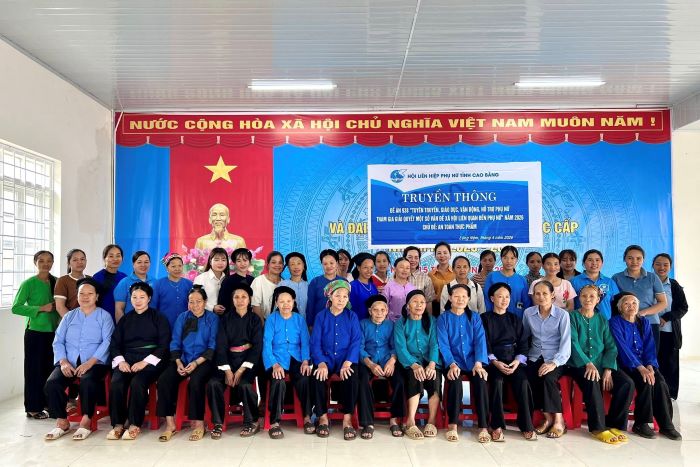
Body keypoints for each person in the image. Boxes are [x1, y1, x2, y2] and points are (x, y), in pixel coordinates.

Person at [44, 278, 114, 440]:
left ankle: (86, 420)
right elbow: (58, 341)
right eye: (82, 293)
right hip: (69, 362)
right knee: (52, 384)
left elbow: (108, 341)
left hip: (96, 363)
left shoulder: (104, 316)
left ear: (97, 296)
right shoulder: (69, 316)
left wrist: (90, 363)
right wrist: (63, 362)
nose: (85, 297)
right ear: (77, 296)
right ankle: (62, 421)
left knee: (88, 381)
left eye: (90, 293)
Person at [609, 292, 681, 440]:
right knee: (645, 382)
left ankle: (667, 425)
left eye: (634, 303)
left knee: (660, 383)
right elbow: (622, 348)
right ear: (620, 307)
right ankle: (641, 423)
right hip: (626, 364)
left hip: (645, 363)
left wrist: (649, 365)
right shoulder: (615, 322)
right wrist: (639, 367)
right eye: (626, 304)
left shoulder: (644, 322)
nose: (631, 306)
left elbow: (650, 346)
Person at [568, 285, 634, 444]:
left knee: (627, 383)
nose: (587, 299)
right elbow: (572, 343)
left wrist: (608, 369)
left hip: (602, 364)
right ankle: (597, 428)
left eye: (592, 296)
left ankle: (615, 424)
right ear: (579, 298)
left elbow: (611, 346)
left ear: (598, 300)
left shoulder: (602, 319)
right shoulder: (572, 317)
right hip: (578, 364)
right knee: (591, 379)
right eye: (584, 296)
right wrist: (587, 363)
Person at [108, 282, 170, 440]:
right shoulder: (125, 319)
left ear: (149, 298)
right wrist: (121, 361)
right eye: (134, 297)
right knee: (117, 382)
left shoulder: (159, 318)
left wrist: (145, 362)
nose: (138, 300)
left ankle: (135, 423)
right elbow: (114, 344)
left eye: (142, 297)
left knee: (138, 382)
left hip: (151, 359)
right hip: (128, 358)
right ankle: (118, 423)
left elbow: (164, 345)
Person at [157, 286, 219, 442]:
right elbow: (175, 342)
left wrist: (196, 363)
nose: (195, 305)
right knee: (164, 380)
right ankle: (170, 424)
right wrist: (178, 362)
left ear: (205, 302)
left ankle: (199, 424)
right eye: (191, 302)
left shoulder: (212, 319)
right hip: (183, 359)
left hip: (204, 360)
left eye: (198, 301)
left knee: (196, 382)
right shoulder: (182, 317)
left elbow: (213, 345)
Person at [206, 283, 263, 439]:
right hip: (227, 360)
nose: (240, 300)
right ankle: (218, 423)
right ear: (232, 300)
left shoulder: (255, 320)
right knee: (214, 384)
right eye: (236, 297)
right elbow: (221, 345)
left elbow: (257, 346)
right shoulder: (225, 319)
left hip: (247, 361)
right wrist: (227, 370)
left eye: (244, 297)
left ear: (249, 300)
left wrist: (241, 369)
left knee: (245, 385)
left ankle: (251, 421)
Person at [481, 282, 537, 441]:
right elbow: (483, 342)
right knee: (497, 381)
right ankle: (496, 425)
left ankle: (526, 425)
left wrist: (517, 361)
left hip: (513, 360)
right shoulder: (484, 318)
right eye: (500, 296)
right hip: (493, 361)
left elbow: (523, 343)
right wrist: (495, 361)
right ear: (492, 298)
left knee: (523, 381)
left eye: (507, 297)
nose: (504, 300)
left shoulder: (515, 319)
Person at [437, 284, 489, 443]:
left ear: (469, 298)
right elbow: (443, 344)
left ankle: (483, 426)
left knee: (481, 381)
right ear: (450, 298)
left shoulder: (475, 317)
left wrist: (479, 363)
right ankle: (452, 425)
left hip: (473, 362)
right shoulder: (443, 318)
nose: (460, 299)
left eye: (464, 297)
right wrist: (451, 364)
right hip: (453, 362)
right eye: (456, 296)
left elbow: (480, 341)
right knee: (454, 381)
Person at [310, 280, 362, 440]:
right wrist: (320, 362)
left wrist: (348, 362)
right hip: (325, 359)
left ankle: (347, 419)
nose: (341, 299)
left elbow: (356, 341)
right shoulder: (321, 316)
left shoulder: (352, 316)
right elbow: (315, 342)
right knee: (317, 377)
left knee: (352, 377)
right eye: (338, 295)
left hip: (345, 359)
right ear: (330, 296)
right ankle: (322, 417)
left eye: (345, 296)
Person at [12, 250, 58, 420]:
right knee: (34, 371)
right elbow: (16, 307)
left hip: (54, 332)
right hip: (35, 332)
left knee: (50, 370)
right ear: (35, 263)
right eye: (41, 260)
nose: (45, 264)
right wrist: (41, 308)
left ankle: (47, 404)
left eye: (49, 260)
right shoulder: (29, 283)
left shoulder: (56, 281)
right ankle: (32, 408)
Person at [263, 286, 314, 439]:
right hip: (276, 359)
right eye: (281, 301)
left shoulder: (299, 319)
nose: (285, 304)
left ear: (293, 302)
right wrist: (274, 364)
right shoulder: (271, 319)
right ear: (276, 303)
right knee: (278, 381)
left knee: (304, 379)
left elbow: (305, 343)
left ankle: (307, 417)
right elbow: (267, 343)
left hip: (296, 358)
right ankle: (275, 422)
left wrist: (305, 361)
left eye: (288, 301)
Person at [522, 280, 571, 439]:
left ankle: (559, 420)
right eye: (537, 294)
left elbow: (566, 344)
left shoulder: (562, 315)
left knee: (549, 378)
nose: (541, 297)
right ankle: (547, 417)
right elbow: (525, 337)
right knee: (527, 378)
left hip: (557, 358)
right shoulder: (528, 313)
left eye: (545, 293)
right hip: (534, 355)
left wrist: (553, 363)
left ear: (552, 295)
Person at [393, 290, 440, 440]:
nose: (419, 305)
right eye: (415, 302)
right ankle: (410, 422)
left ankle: (431, 421)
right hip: (410, 361)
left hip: (429, 360)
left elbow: (434, 344)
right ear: (408, 305)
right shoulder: (401, 323)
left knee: (434, 378)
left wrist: (432, 364)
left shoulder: (432, 321)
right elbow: (401, 348)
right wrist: (414, 365)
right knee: (415, 377)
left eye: (422, 302)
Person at [357, 295, 404, 439]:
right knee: (362, 380)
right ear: (370, 311)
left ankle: (394, 419)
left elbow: (395, 346)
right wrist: (370, 364)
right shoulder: (362, 324)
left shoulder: (391, 325)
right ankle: (368, 423)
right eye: (375, 310)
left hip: (387, 360)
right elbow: (359, 347)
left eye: (382, 310)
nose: (379, 313)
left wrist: (392, 361)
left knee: (400, 380)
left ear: (387, 311)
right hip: (368, 360)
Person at [613, 245, 667, 354]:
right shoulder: (617, 278)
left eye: (638, 258)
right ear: (624, 259)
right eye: (630, 258)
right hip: (625, 324)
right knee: (628, 357)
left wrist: (643, 313)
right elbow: (614, 303)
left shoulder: (652, 277)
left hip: (650, 323)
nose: (634, 261)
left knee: (650, 357)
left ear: (643, 260)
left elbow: (663, 302)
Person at [653, 253, 688, 400]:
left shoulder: (674, 285)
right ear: (652, 266)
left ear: (670, 267)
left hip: (669, 331)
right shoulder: (648, 282)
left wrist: (666, 317)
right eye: (658, 264)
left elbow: (683, 308)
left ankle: (670, 394)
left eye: (665, 264)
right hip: (651, 330)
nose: (661, 267)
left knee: (670, 364)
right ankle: (653, 393)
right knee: (653, 362)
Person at [570, 249, 619, 320]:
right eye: (590, 260)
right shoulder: (574, 281)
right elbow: (570, 304)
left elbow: (617, 304)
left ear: (602, 263)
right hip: (580, 322)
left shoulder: (610, 282)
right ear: (583, 263)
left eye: (597, 260)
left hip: (605, 322)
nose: (594, 263)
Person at [484, 246, 531, 318]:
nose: (509, 261)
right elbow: (487, 299)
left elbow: (526, 302)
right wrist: (489, 317)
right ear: (501, 259)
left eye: (512, 258)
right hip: (495, 318)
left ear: (516, 260)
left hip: (517, 317)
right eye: (505, 257)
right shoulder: (492, 276)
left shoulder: (521, 279)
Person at [305, 249, 346, 327]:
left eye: (331, 263)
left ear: (337, 263)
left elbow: (347, 305)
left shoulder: (343, 282)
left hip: (340, 323)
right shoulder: (315, 282)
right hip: (319, 324)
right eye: (325, 264)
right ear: (322, 265)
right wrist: (310, 325)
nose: (329, 266)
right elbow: (310, 306)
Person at [113, 251, 157, 322]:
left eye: (146, 262)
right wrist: (122, 327)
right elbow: (119, 308)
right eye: (139, 262)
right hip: (131, 323)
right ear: (133, 264)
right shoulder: (124, 282)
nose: (143, 265)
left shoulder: (155, 282)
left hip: (151, 323)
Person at [153, 253, 193, 328]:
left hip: (185, 326)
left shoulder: (189, 284)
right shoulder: (158, 284)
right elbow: (153, 307)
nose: (177, 269)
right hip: (164, 326)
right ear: (167, 268)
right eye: (173, 266)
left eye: (180, 266)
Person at [92, 244, 127, 321]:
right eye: (111, 256)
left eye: (118, 256)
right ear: (104, 258)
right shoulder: (97, 277)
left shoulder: (124, 277)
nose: (115, 259)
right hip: (102, 319)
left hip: (121, 318)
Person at [217, 248, 255, 315]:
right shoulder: (228, 281)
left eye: (245, 260)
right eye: (239, 261)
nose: (242, 264)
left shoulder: (253, 280)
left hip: (250, 318)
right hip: (232, 318)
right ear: (234, 263)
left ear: (249, 262)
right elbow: (223, 305)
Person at [193, 247, 229, 315]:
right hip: (205, 316)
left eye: (223, 260)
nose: (220, 263)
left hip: (225, 318)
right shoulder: (200, 278)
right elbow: (195, 299)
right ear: (210, 262)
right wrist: (212, 308)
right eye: (216, 260)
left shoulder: (228, 279)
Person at [54, 249, 89, 317]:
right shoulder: (62, 280)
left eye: (82, 259)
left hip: (89, 320)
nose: (80, 262)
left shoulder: (90, 279)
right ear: (69, 263)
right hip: (69, 321)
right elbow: (60, 307)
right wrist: (73, 321)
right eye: (75, 260)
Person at [251, 251, 284, 320]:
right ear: (268, 264)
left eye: (280, 263)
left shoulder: (284, 283)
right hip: (262, 322)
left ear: (283, 265)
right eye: (273, 262)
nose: (277, 265)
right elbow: (255, 305)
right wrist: (263, 324)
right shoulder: (258, 281)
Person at [382, 258, 416, 322]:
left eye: (407, 268)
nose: (405, 270)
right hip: (393, 323)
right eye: (401, 267)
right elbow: (383, 307)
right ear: (394, 269)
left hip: (410, 323)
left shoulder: (413, 288)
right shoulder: (388, 287)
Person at [278, 252, 309, 319]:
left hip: (305, 323)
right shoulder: (282, 285)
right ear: (288, 267)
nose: (296, 267)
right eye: (292, 264)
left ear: (303, 266)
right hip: (287, 322)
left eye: (299, 263)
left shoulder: (309, 286)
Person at [349, 253, 378, 321]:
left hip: (372, 324)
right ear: (358, 268)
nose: (369, 271)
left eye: (371, 267)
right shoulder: (352, 286)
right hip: (357, 323)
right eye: (365, 267)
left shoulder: (373, 286)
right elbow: (349, 309)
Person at [428, 241, 454, 314]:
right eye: (439, 253)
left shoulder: (456, 273)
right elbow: (429, 297)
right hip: (436, 308)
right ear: (435, 256)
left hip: (454, 306)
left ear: (450, 255)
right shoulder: (430, 275)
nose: (442, 255)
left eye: (445, 253)